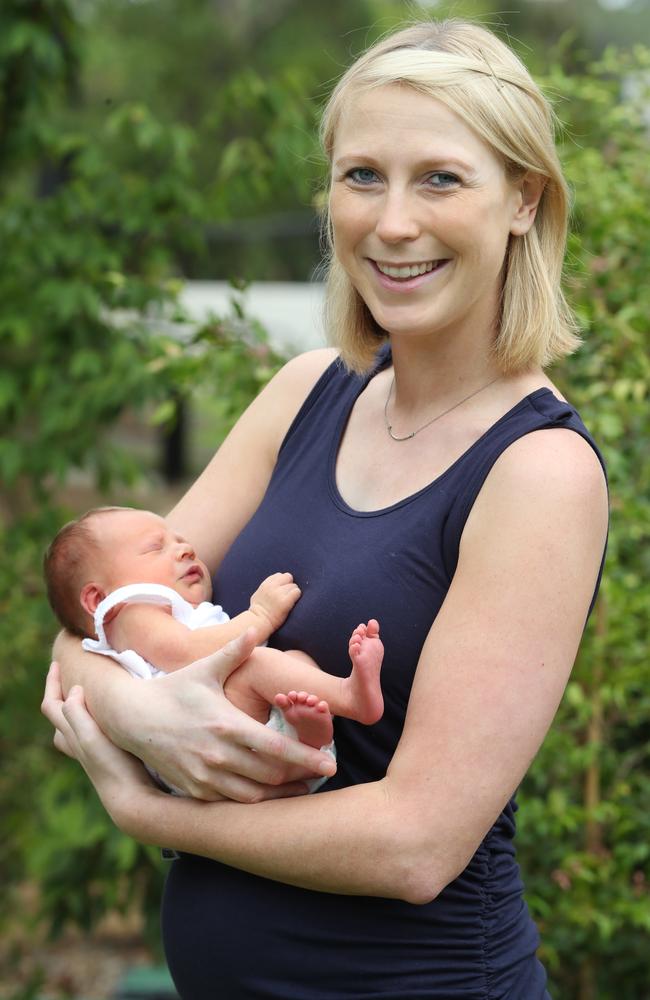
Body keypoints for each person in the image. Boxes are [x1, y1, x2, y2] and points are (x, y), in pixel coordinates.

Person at [42, 17, 609, 999]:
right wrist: (144, 709)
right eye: (360, 176)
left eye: (439, 178)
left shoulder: (535, 470)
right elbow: (88, 620)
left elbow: (415, 844)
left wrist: (152, 808)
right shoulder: (307, 392)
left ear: (522, 200)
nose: (391, 221)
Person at [43, 505, 384, 786]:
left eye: (180, 540)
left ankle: (309, 736)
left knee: (293, 662)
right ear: (97, 598)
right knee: (259, 665)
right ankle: (349, 697)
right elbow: (187, 652)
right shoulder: (128, 612)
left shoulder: (174, 610)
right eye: (155, 547)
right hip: (198, 734)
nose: (185, 548)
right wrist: (260, 615)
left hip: (243, 739)